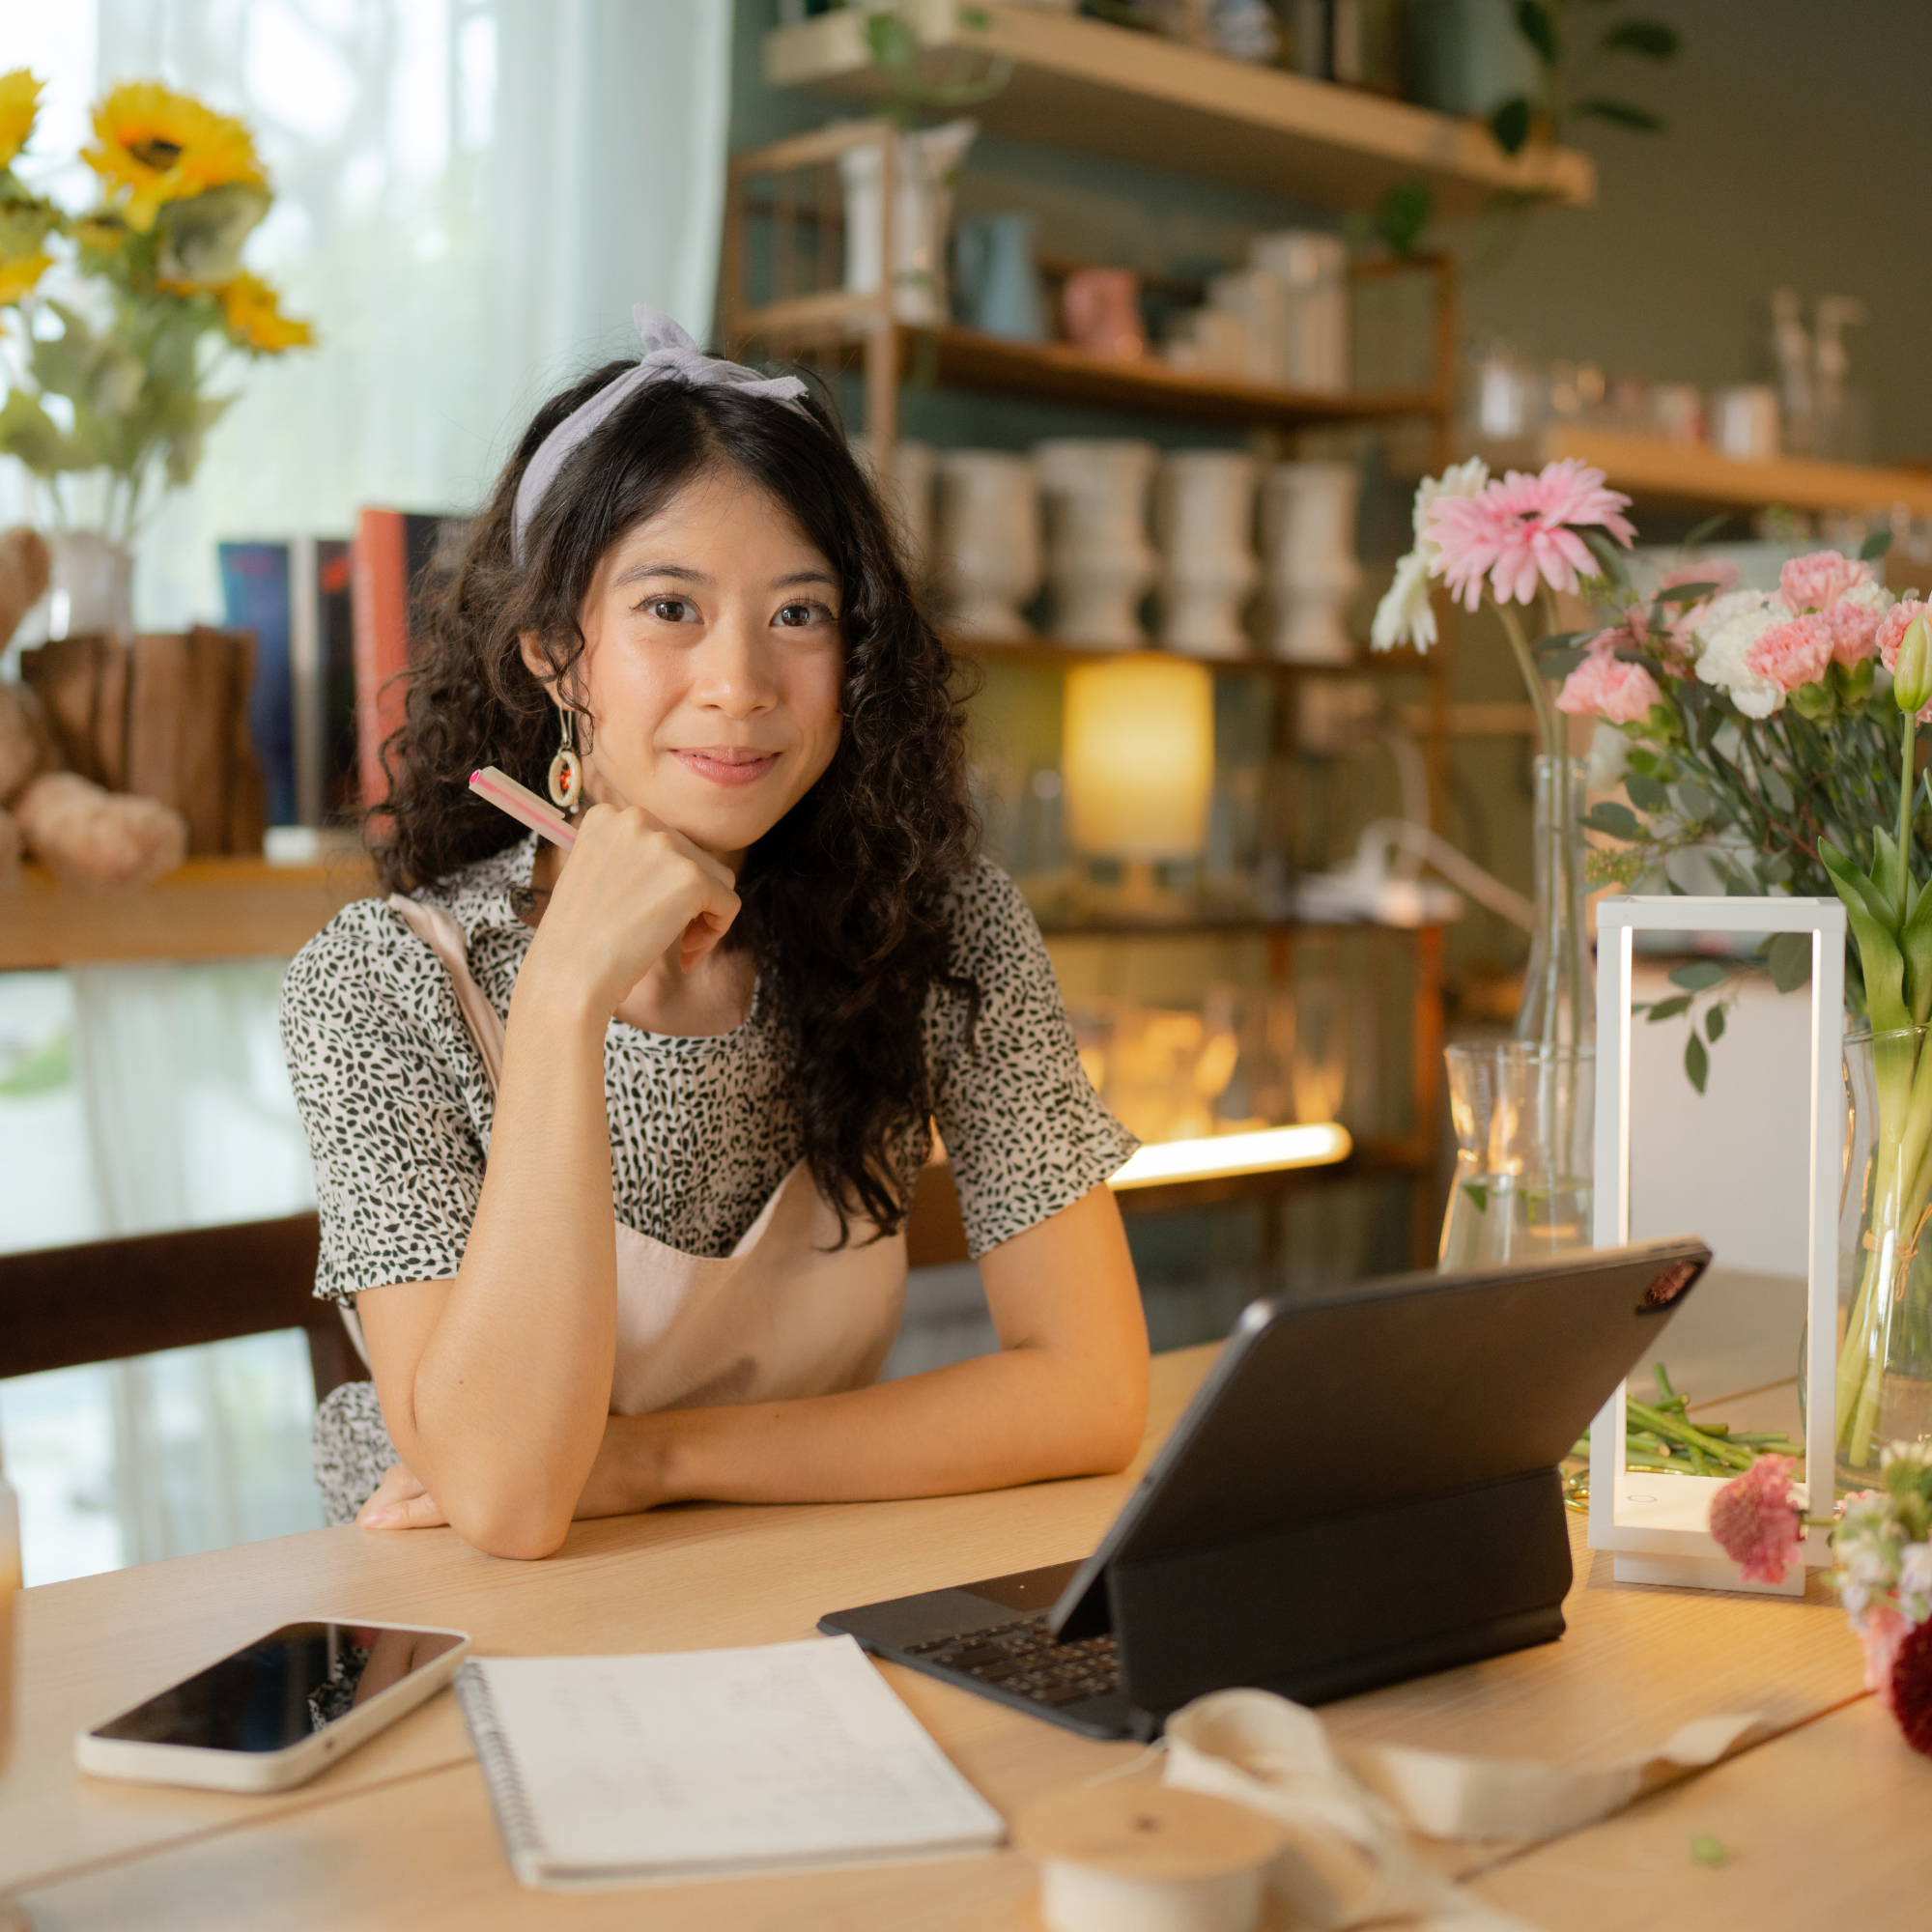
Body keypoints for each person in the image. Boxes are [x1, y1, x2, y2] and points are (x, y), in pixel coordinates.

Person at [283, 308, 1150, 1559]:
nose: (741, 683)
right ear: (551, 651)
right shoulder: (377, 986)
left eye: (799, 615)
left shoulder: (938, 928)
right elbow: (514, 1501)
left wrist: (657, 1461)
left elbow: (1089, 1390)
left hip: (794, 1592)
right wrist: (567, 990)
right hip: (470, 1649)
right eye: (671, 608)